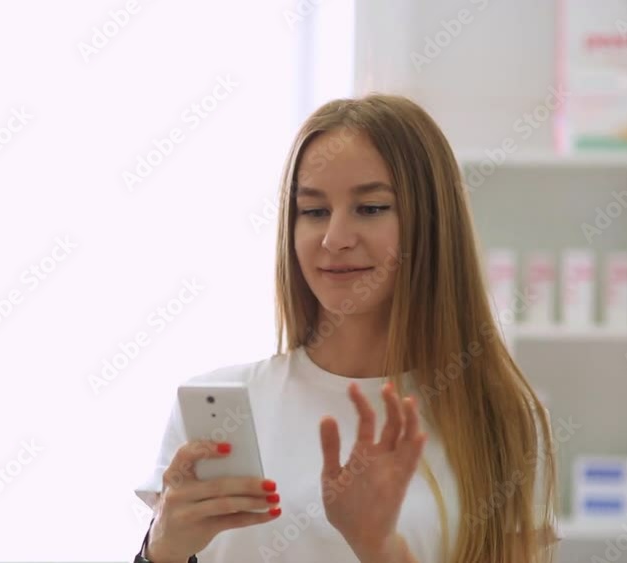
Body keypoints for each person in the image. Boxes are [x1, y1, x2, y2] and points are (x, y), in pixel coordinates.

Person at [133, 94, 559, 563]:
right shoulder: (220, 402)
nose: (335, 239)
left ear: (433, 226)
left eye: (372, 208)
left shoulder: (501, 419)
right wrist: (162, 552)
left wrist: (378, 547)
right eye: (313, 211)